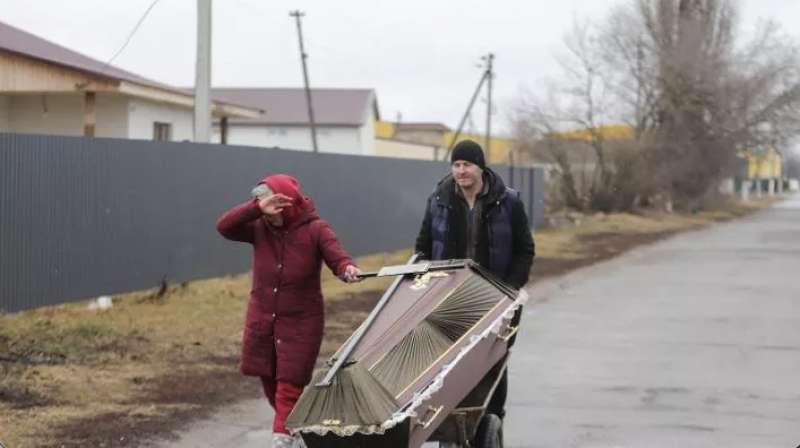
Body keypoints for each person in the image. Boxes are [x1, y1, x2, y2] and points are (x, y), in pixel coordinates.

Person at [216, 174, 361, 448]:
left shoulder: (316, 229)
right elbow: (224, 226)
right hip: (263, 322)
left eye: (270, 202)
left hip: (301, 324)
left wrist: (347, 269)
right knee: (270, 382)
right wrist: (255, 209)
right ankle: (295, 430)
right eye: (262, 202)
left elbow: (337, 256)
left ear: (285, 203)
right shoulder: (258, 226)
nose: (266, 209)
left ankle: (282, 438)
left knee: (289, 385)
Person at [415, 139, 535, 420]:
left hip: (495, 296)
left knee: (492, 361)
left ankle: (492, 420)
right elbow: (423, 246)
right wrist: (427, 282)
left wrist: (510, 288)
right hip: (449, 296)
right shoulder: (438, 200)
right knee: (448, 364)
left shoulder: (508, 201)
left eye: (466, 164)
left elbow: (524, 249)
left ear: (480, 167)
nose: (460, 171)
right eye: (456, 165)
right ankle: (449, 421)